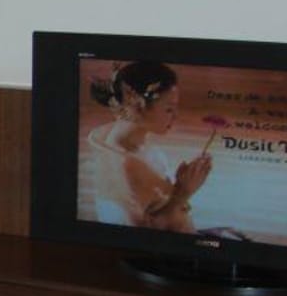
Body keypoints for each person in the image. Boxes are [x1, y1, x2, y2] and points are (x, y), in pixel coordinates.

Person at [87, 61, 211, 233]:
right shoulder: (126, 164)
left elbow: (147, 195)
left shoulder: (105, 135)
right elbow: (146, 233)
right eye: (169, 109)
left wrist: (178, 185)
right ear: (138, 106)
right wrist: (183, 193)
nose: (176, 116)